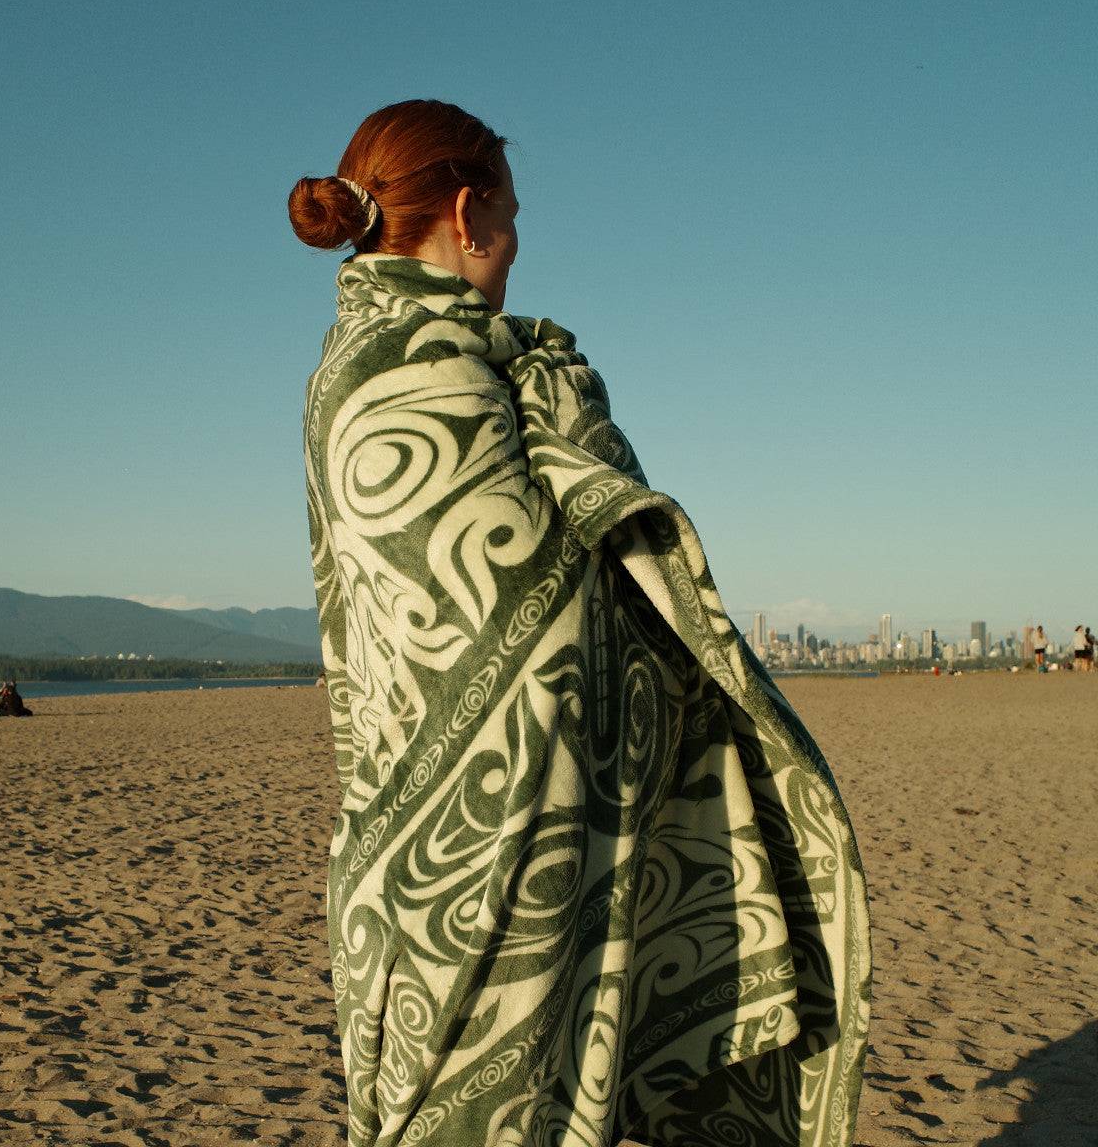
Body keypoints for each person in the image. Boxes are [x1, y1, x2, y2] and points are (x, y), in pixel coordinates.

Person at [290, 100, 870, 1147]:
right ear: (469, 215)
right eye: (511, 217)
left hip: (396, 849)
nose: (515, 246)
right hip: (492, 862)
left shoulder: (352, 366)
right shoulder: (442, 373)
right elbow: (535, 641)